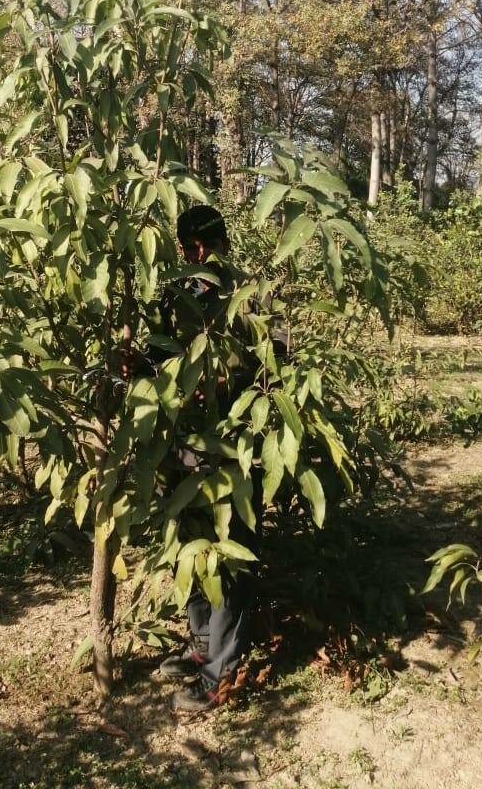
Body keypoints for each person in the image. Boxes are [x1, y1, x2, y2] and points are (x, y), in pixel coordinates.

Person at [123, 205, 284, 714]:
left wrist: (223, 383)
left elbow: (275, 365)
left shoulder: (248, 297)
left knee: (229, 554)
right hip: (186, 444)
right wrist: (139, 365)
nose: (192, 254)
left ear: (208, 245)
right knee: (192, 545)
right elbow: (165, 355)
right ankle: (201, 644)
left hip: (234, 447)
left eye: (196, 245)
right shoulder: (179, 297)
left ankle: (221, 674)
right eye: (187, 246)